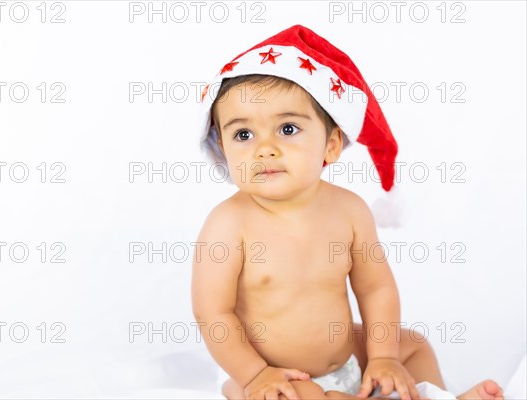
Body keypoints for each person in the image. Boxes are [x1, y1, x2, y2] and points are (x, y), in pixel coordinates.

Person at [191, 25, 504, 400]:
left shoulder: (349, 210)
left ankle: (431, 394)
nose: (265, 149)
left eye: (287, 128)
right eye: (243, 135)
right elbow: (215, 315)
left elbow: (375, 286)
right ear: (222, 149)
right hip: (274, 377)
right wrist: (255, 374)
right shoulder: (228, 224)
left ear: (332, 145)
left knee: (414, 345)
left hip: (344, 362)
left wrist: (384, 356)